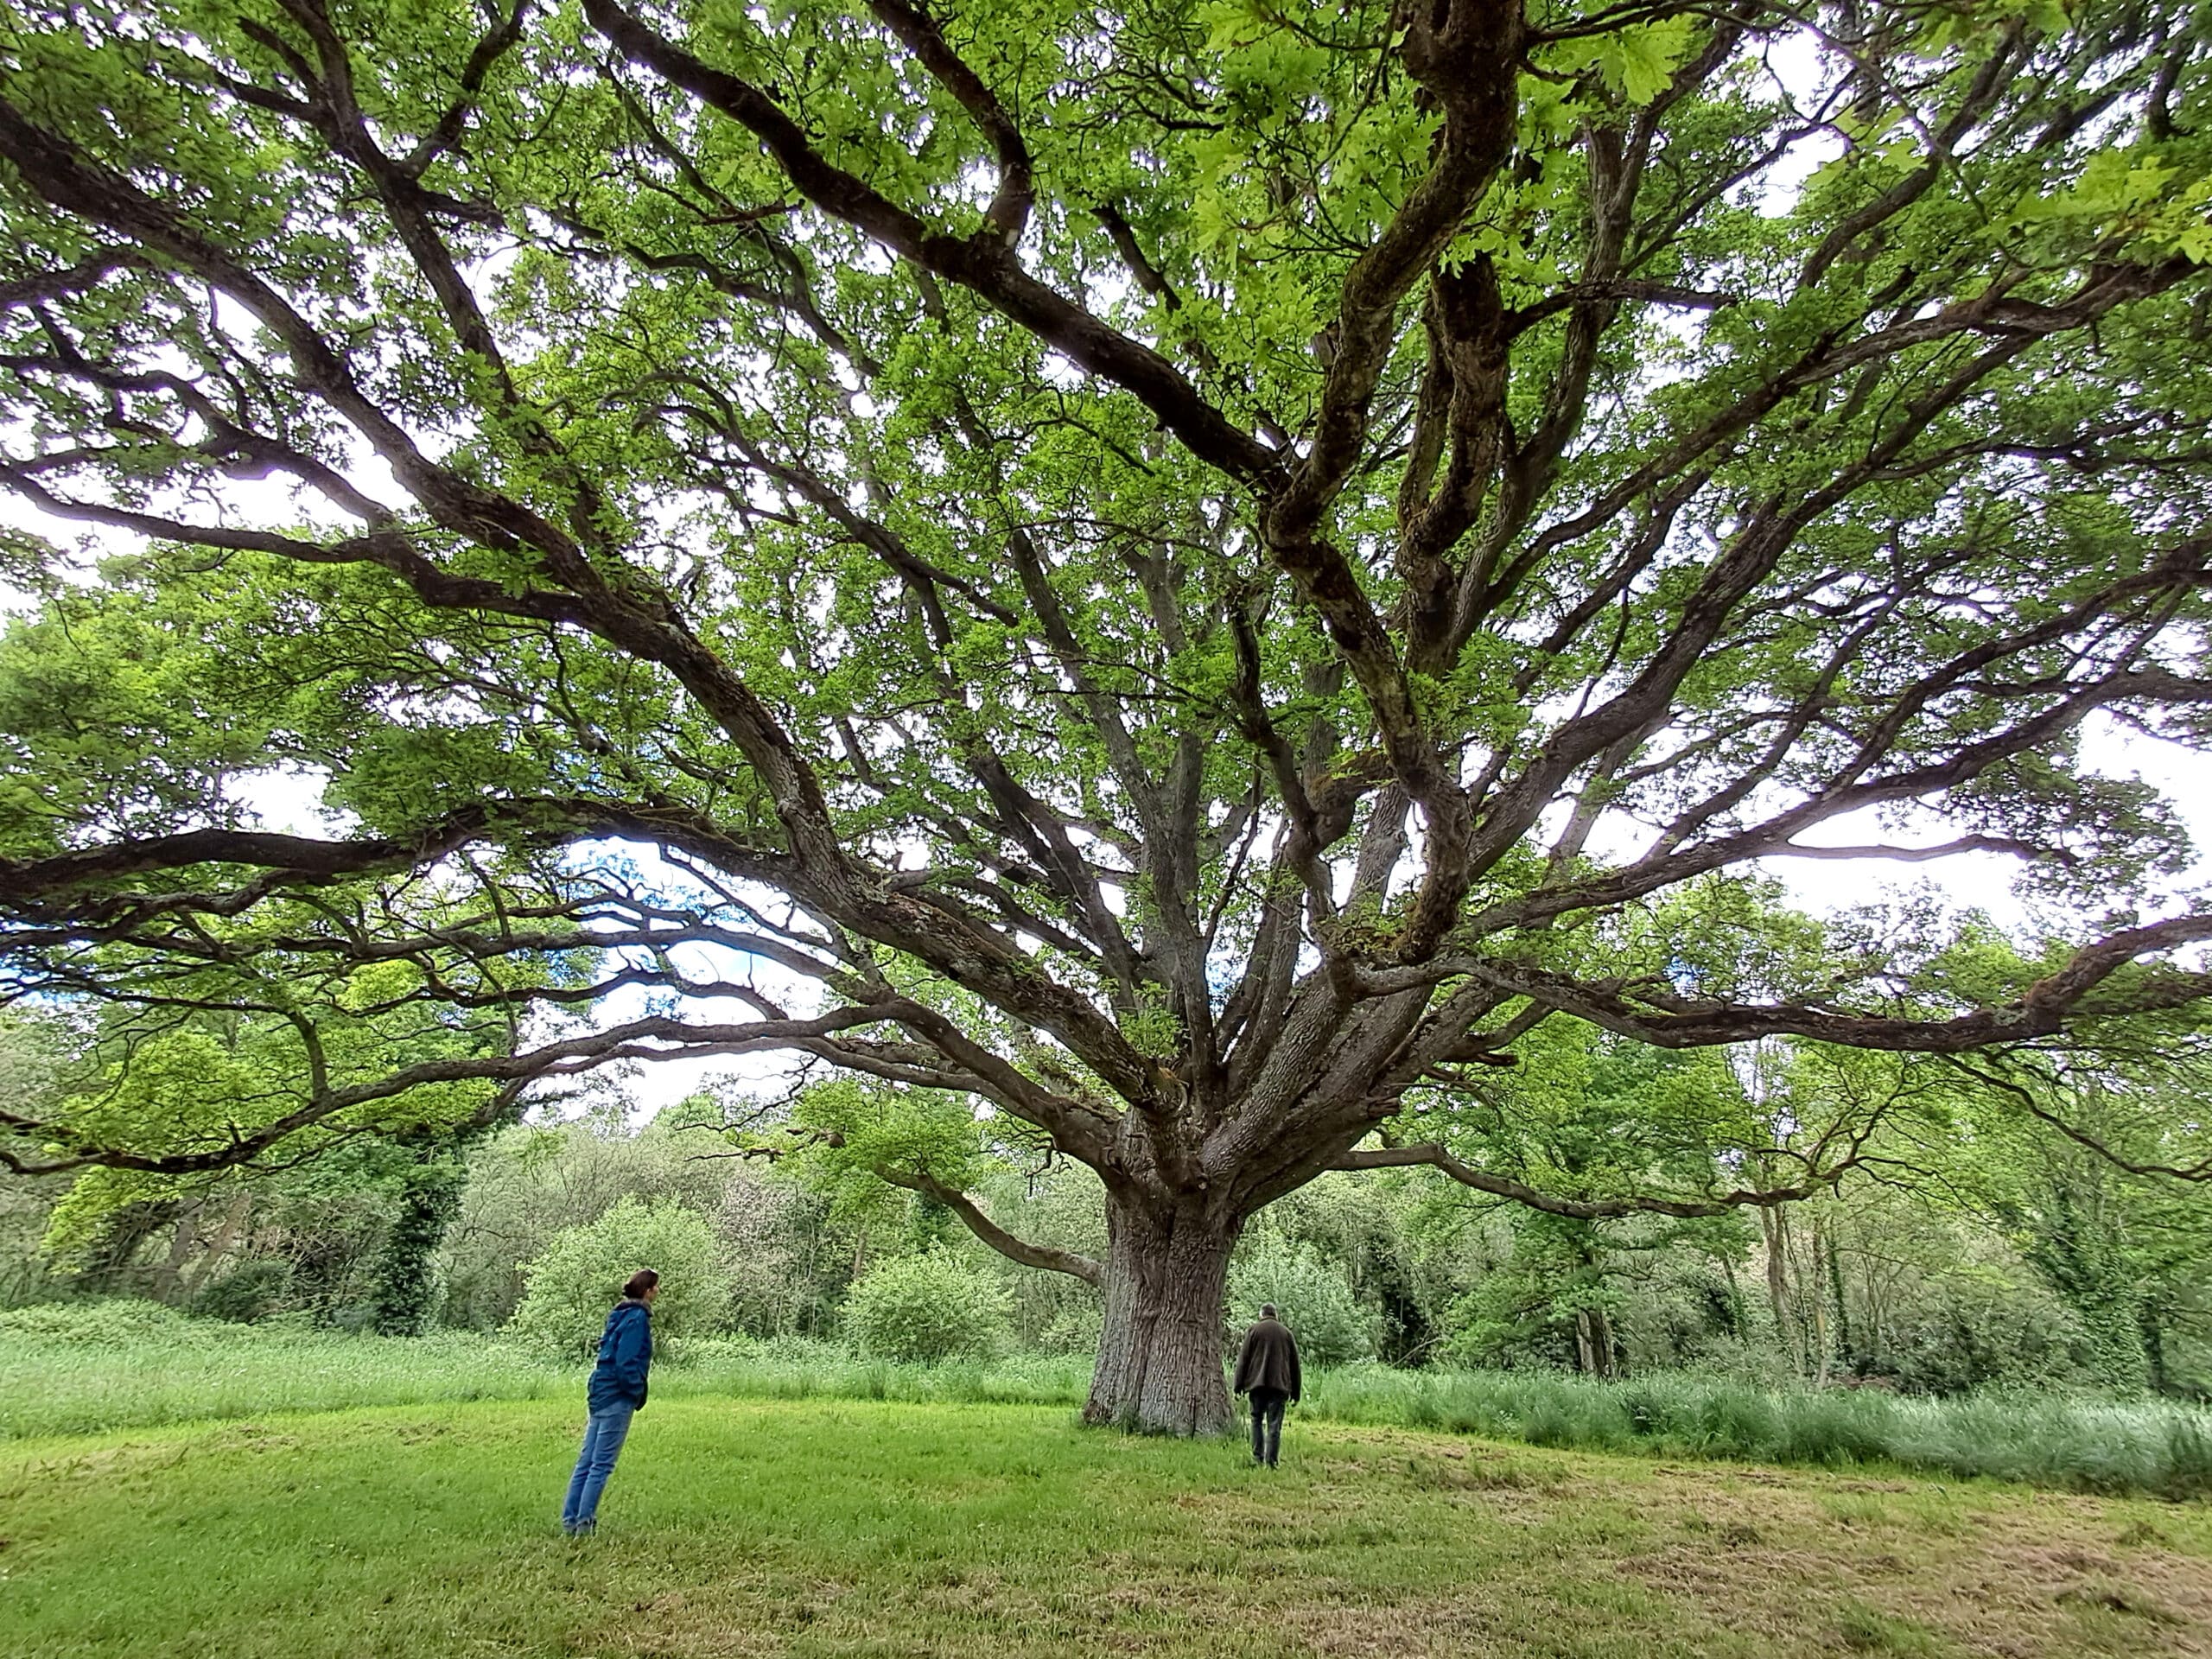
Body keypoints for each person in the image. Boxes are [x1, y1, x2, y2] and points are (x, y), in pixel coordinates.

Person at [560, 1268, 658, 1536]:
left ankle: (570, 1521)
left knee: (586, 1461)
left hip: (600, 1391)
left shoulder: (619, 1315)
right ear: (647, 1290)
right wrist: (635, 1391)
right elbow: (626, 1361)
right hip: (617, 1395)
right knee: (601, 1464)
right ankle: (584, 1524)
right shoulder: (637, 1319)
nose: (658, 1291)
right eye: (655, 1287)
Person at [1231, 1302, 1301, 1467]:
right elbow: (1294, 1365)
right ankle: (1272, 1461)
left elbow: (1243, 1360)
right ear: (1276, 1315)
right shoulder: (1286, 1333)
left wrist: (1238, 1386)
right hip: (1279, 1386)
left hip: (1257, 1386)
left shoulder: (1253, 1331)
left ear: (1261, 1315)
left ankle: (1257, 1457)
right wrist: (1296, 1392)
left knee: (1256, 1420)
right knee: (1274, 1424)